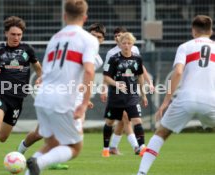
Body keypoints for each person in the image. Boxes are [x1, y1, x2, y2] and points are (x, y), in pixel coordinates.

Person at [17, 23, 106, 170]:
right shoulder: (75, 48)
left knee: (75, 131)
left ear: (103, 40)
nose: (95, 39)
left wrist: (85, 99)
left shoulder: (98, 60)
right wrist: (44, 78)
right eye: (93, 35)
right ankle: (20, 151)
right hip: (60, 95)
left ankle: (50, 159)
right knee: (39, 133)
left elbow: (84, 77)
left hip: (75, 98)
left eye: (99, 37)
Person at [137, 15, 215, 175]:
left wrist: (166, 101)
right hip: (211, 99)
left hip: (186, 98)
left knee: (161, 133)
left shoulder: (185, 46)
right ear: (211, 31)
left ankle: (141, 173)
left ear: (193, 31)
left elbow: (178, 72)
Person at [0, 16, 42, 172]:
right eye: (13, 34)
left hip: (18, 99)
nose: (16, 37)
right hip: (1, 94)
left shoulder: (28, 50)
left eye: (19, 35)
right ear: (6, 33)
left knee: (2, 137)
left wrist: (41, 78)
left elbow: (39, 69)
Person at [101, 27, 153, 157]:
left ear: (132, 43)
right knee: (113, 122)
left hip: (132, 95)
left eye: (128, 42)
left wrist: (144, 92)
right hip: (116, 95)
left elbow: (140, 72)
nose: (126, 44)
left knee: (134, 120)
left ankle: (140, 147)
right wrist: (106, 88)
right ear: (118, 41)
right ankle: (108, 147)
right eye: (123, 41)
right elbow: (106, 75)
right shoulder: (112, 56)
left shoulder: (136, 56)